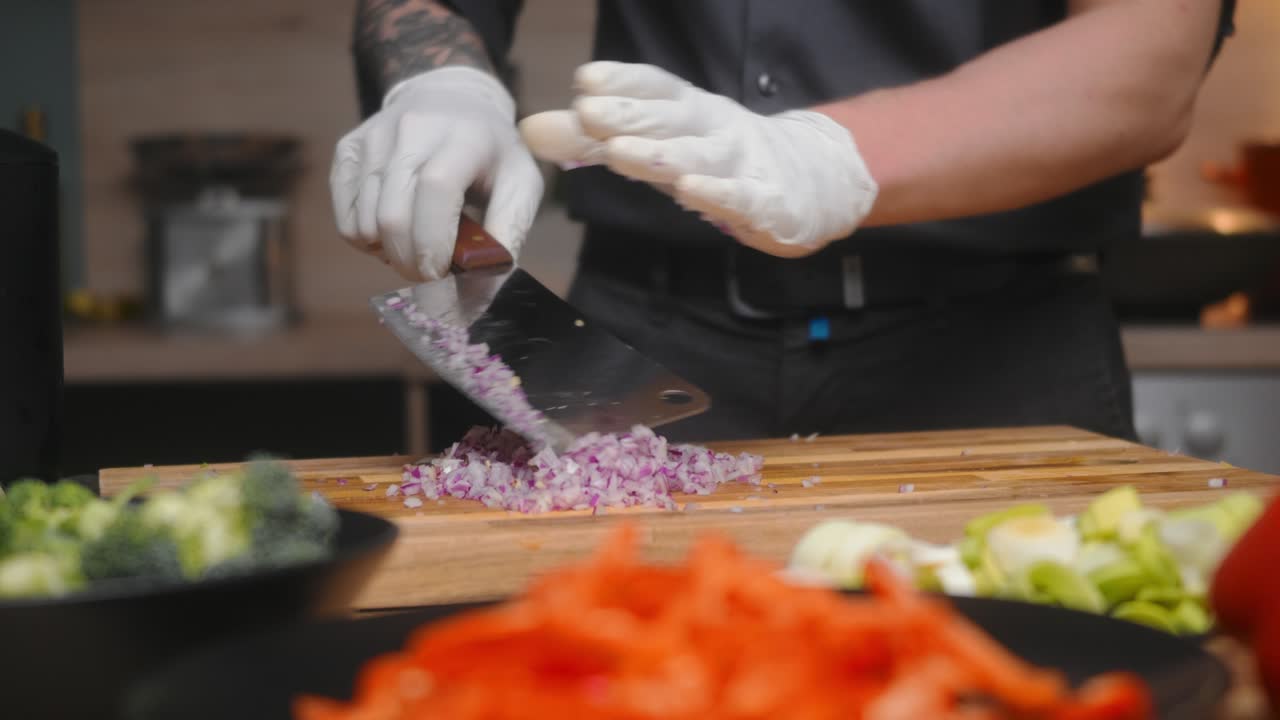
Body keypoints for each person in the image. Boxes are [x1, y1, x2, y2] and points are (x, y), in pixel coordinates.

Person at [332, 0, 1235, 443]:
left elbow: (1149, 55)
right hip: (634, 354)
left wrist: (831, 159)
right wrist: (435, 77)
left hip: (1002, 360)